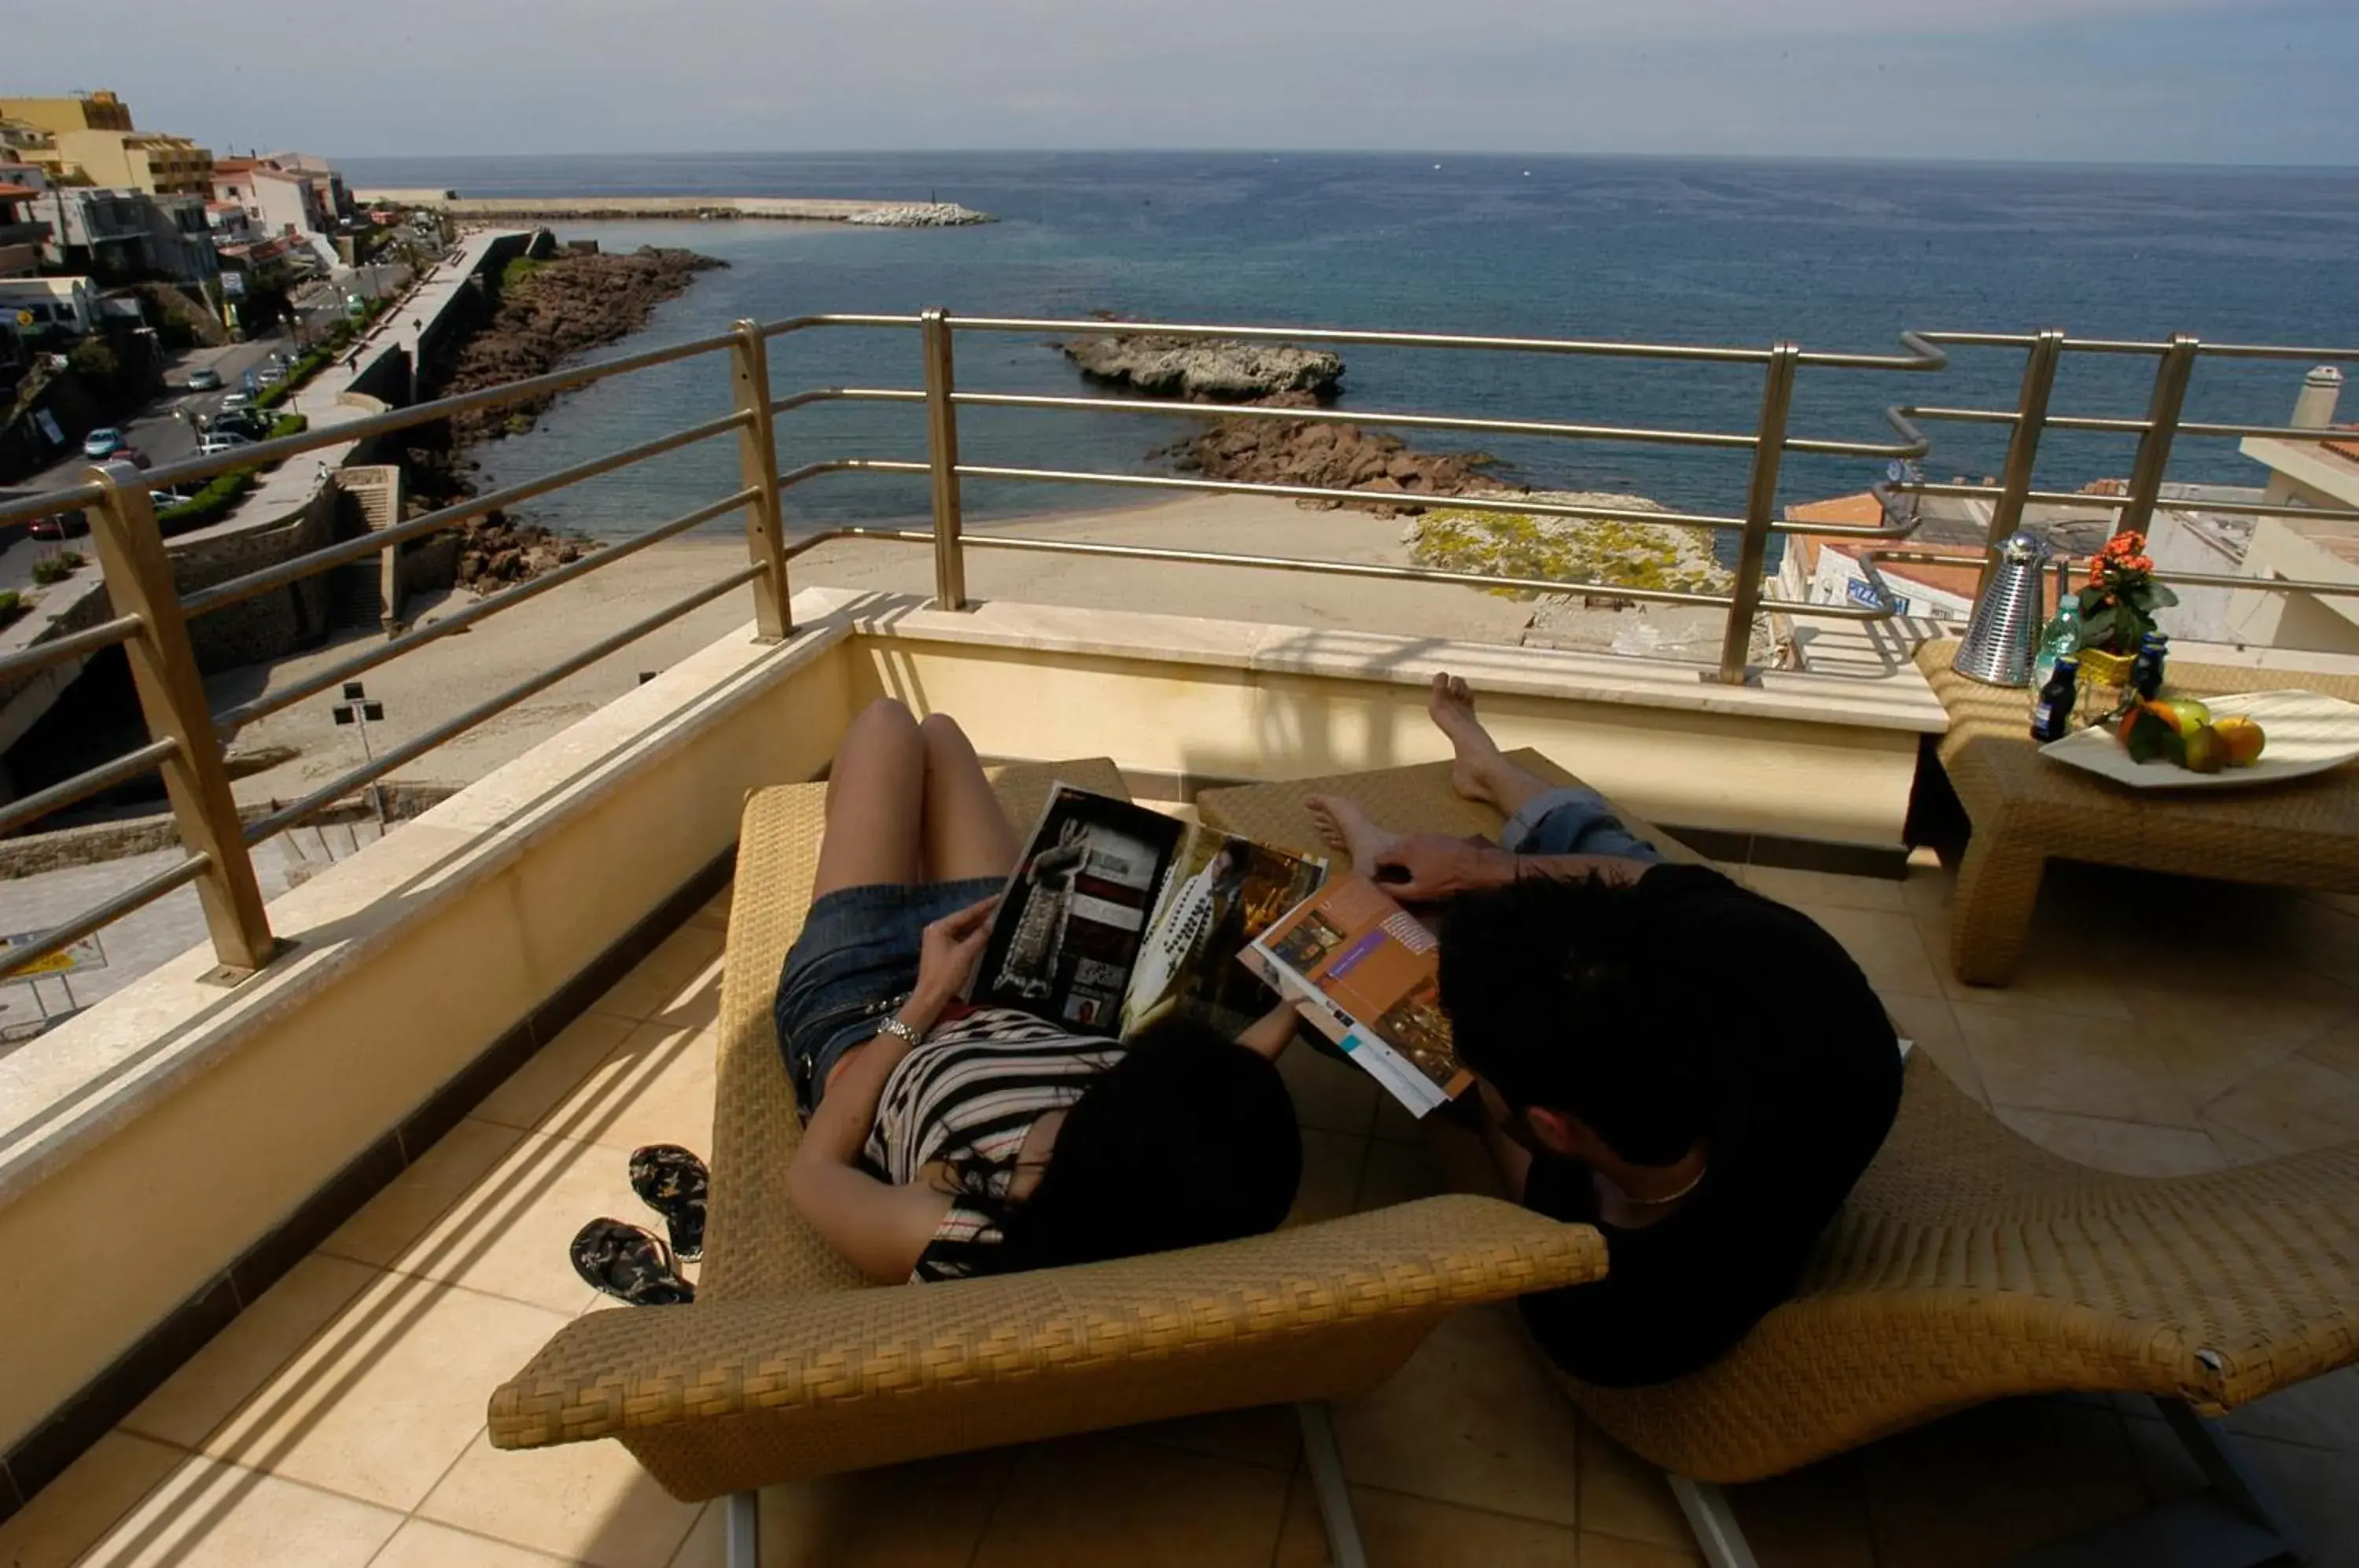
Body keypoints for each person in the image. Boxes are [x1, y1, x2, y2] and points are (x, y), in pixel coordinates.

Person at [1304, 675, 1903, 1389]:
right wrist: (1480, 868)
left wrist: (1437, 1053)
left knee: (1377, 1006)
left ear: (1554, 1129)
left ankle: (1394, 866)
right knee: (1609, 858)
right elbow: (1641, 886)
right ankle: (1489, 772)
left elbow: (1495, 1134)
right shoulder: (1798, 985)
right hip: (1793, 1028)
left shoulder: (1605, 1308)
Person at [777, 698, 1305, 1285]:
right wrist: (1304, 992)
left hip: (868, 1007)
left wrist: (924, 1001)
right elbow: (1220, 1100)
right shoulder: (1171, 1160)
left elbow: (813, 1175)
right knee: (942, 735)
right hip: (1001, 979)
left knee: (885, 725)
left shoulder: (976, 1232)